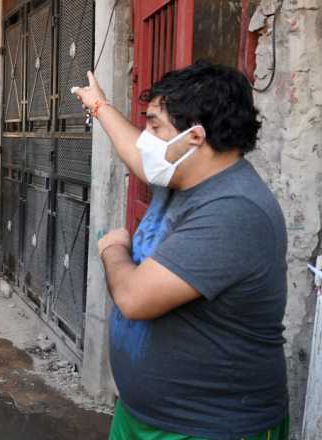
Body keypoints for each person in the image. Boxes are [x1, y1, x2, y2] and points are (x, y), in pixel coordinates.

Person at [73, 62, 289, 439]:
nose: (146, 138)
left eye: (155, 126)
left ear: (194, 137)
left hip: (207, 428)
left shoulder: (233, 211)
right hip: (147, 415)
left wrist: (113, 248)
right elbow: (139, 157)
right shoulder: (185, 174)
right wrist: (100, 107)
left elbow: (133, 297)